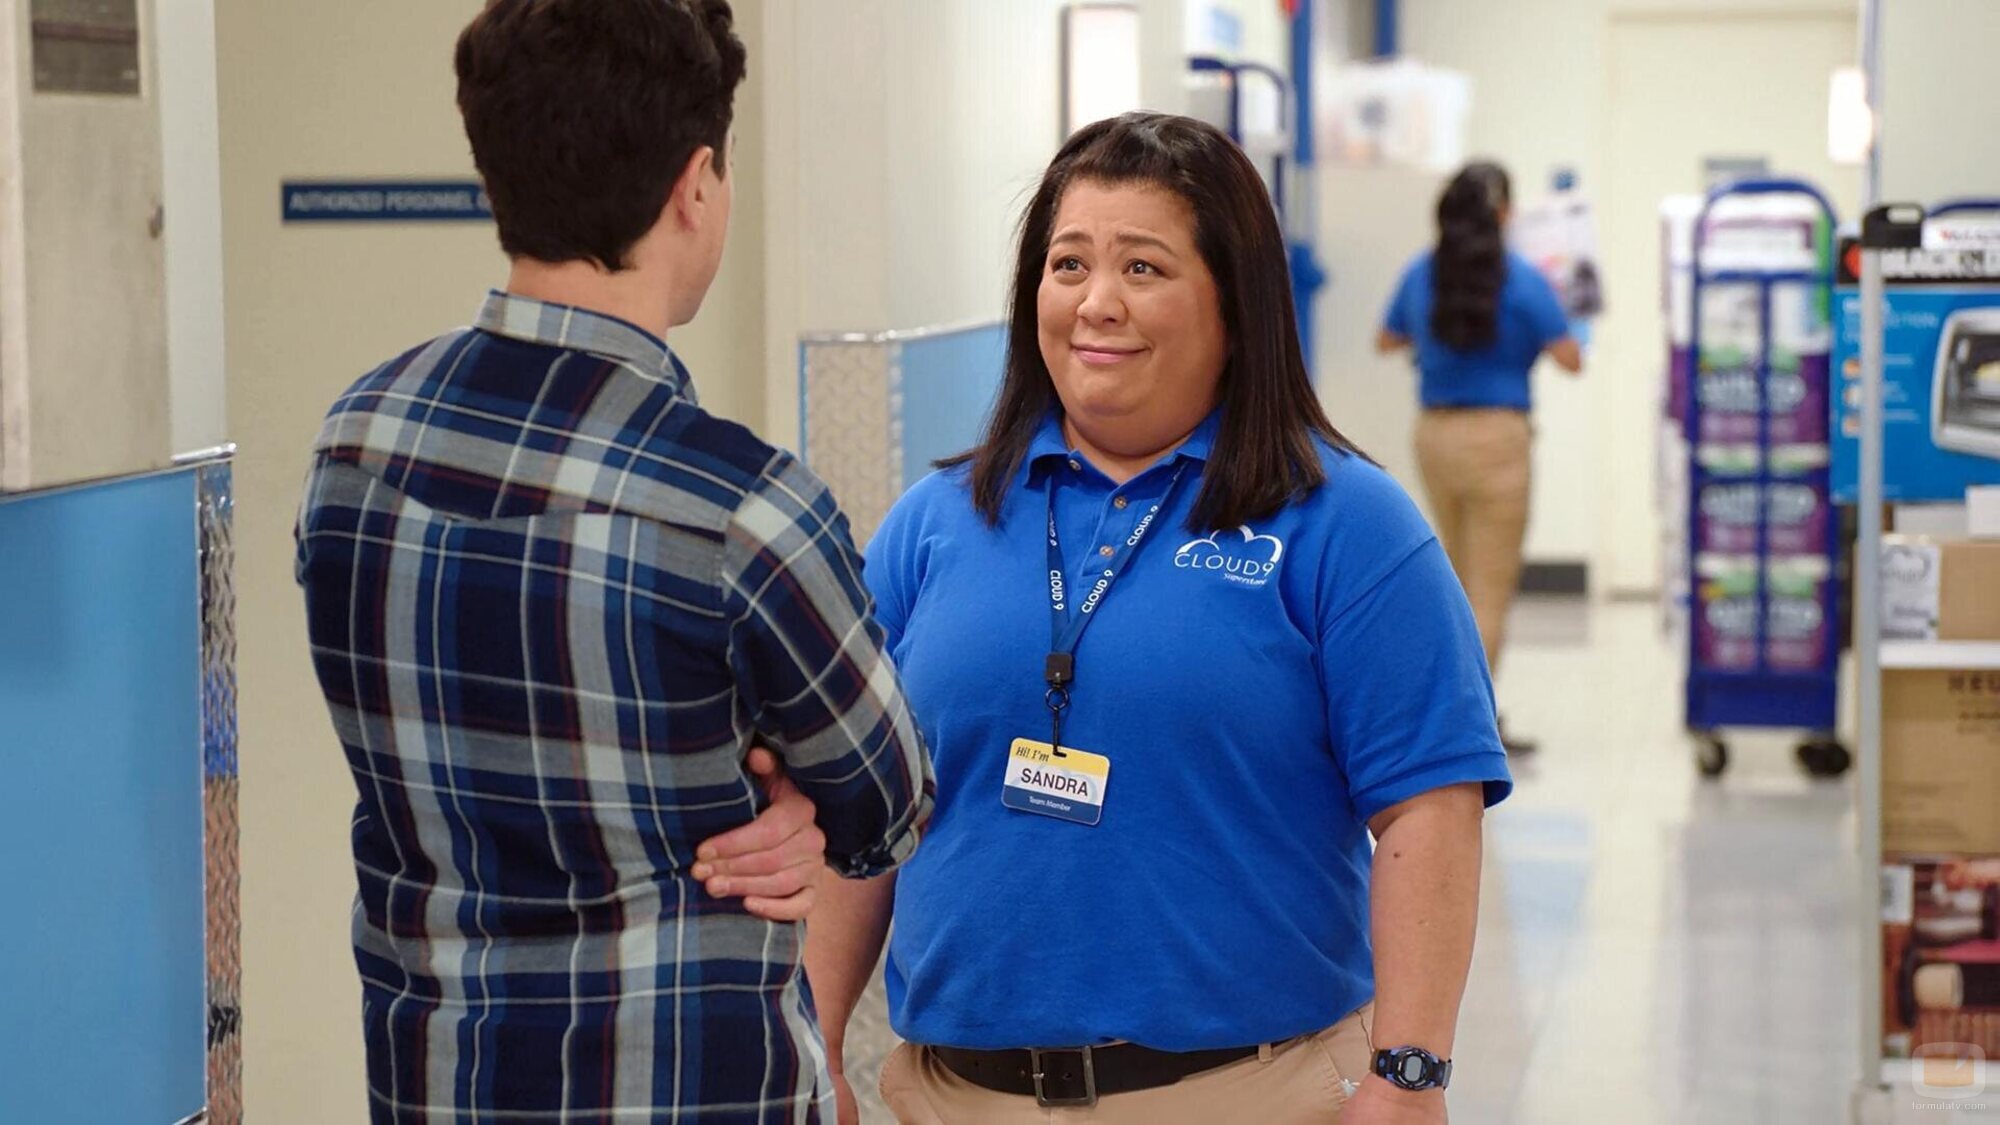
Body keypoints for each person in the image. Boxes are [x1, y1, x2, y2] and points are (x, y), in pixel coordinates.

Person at [790, 113, 1509, 1124]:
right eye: (1067, 263)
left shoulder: (1345, 526)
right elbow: (856, 813)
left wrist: (1409, 1074)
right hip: (952, 1095)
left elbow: (1429, 809)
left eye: (1142, 268)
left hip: (1250, 1093)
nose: (1095, 303)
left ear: (1234, 303)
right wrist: (810, 1044)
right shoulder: (934, 525)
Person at [292, 2, 933, 1120]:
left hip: (432, 1082)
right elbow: (889, 804)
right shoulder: (737, 507)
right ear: (696, 186)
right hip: (683, 1090)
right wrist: (773, 795)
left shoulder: (354, 444)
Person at [1376, 161, 1584, 756]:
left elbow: (1387, 338)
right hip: (1497, 440)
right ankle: (1467, 731)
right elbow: (1571, 357)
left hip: (1435, 437)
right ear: (1502, 214)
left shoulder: (1422, 273)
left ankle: (1450, 716)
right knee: (1489, 590)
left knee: (1456, 582)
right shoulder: (1521, 280)